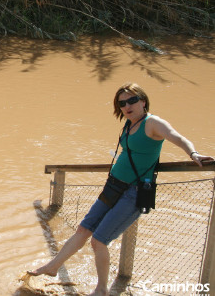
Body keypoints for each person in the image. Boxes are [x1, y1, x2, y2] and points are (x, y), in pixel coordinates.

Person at [28, 82, 214, 296]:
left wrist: (194, 154)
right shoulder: (129, 124)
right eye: (122, 103)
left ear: (143, 101)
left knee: (98, 241)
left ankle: (101, 290)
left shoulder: (153, 123)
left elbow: (177, 137)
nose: (127, 106)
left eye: (132, 100)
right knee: (83, 230)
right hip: (113, 186)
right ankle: (52, 267)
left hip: (133, 193)